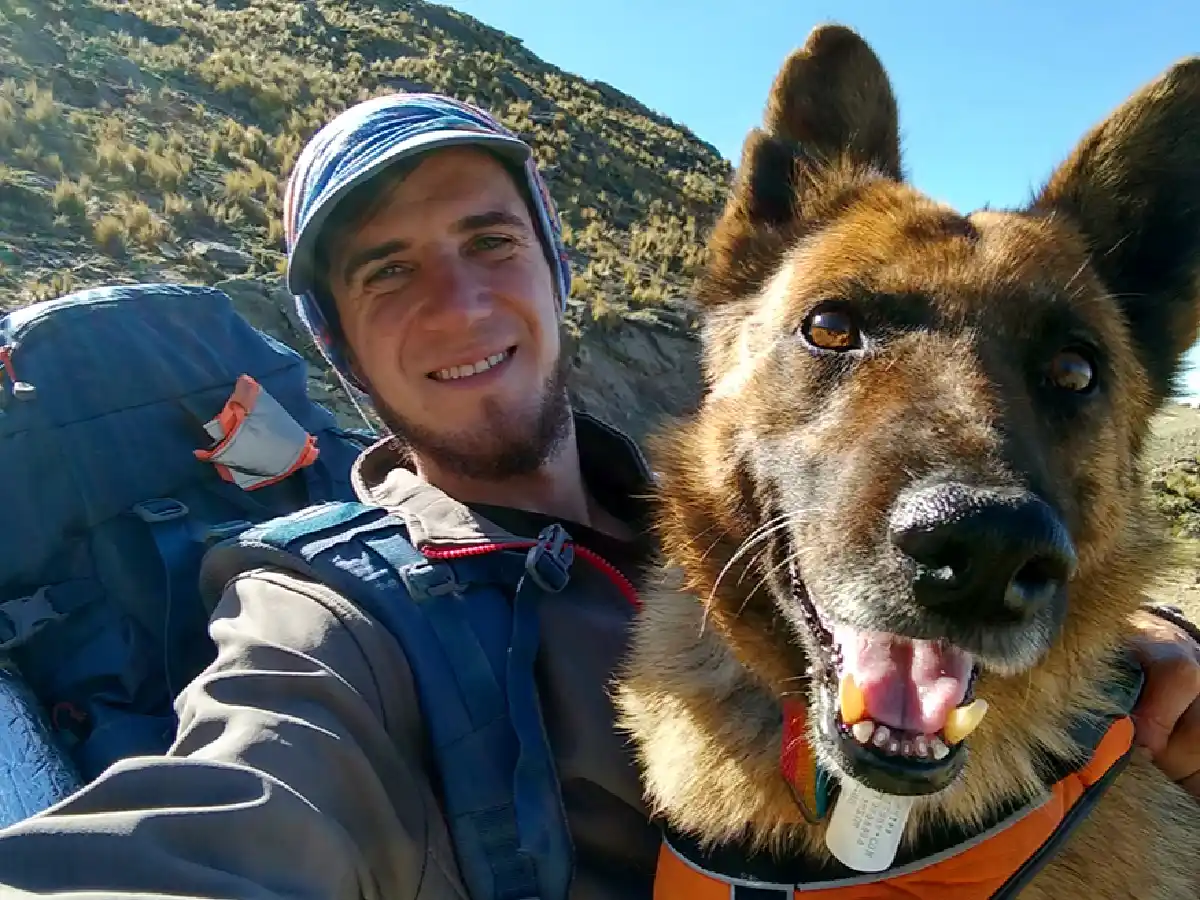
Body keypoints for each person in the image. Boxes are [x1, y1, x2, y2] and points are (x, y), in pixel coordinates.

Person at [0, 92, 1194, 899]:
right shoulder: (328, 621)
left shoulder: (688, 514)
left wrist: (1117, 644)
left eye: (489, 243)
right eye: (387, 272)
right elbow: (226, 817)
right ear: (343, 353)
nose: (463, 306)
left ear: (553, 272)